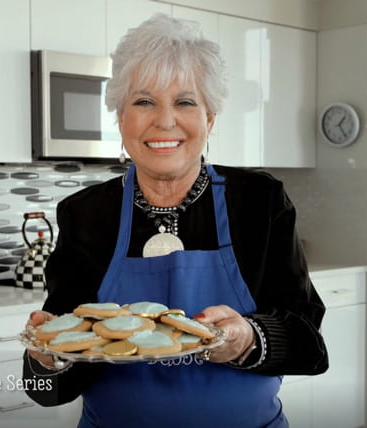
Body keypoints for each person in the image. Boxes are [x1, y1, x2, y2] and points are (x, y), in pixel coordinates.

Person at [22, 13, 328, 427]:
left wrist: (246, 339)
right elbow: (45, 392)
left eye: (185, 101)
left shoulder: (258, 202)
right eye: (143, 101)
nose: (164, 121)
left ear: (210, 119)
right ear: (120, 119)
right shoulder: (86, 213)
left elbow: (311, 348)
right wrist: (46, 362)